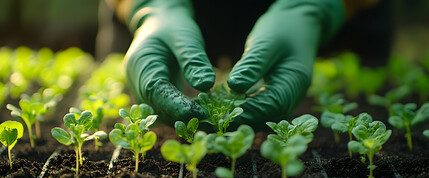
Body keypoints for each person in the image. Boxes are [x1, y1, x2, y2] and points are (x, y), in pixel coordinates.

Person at [110, 0, 379, 130]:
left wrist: (316, 7)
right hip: (172, 13)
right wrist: (148, 7)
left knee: (366, 69)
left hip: (334, 26)